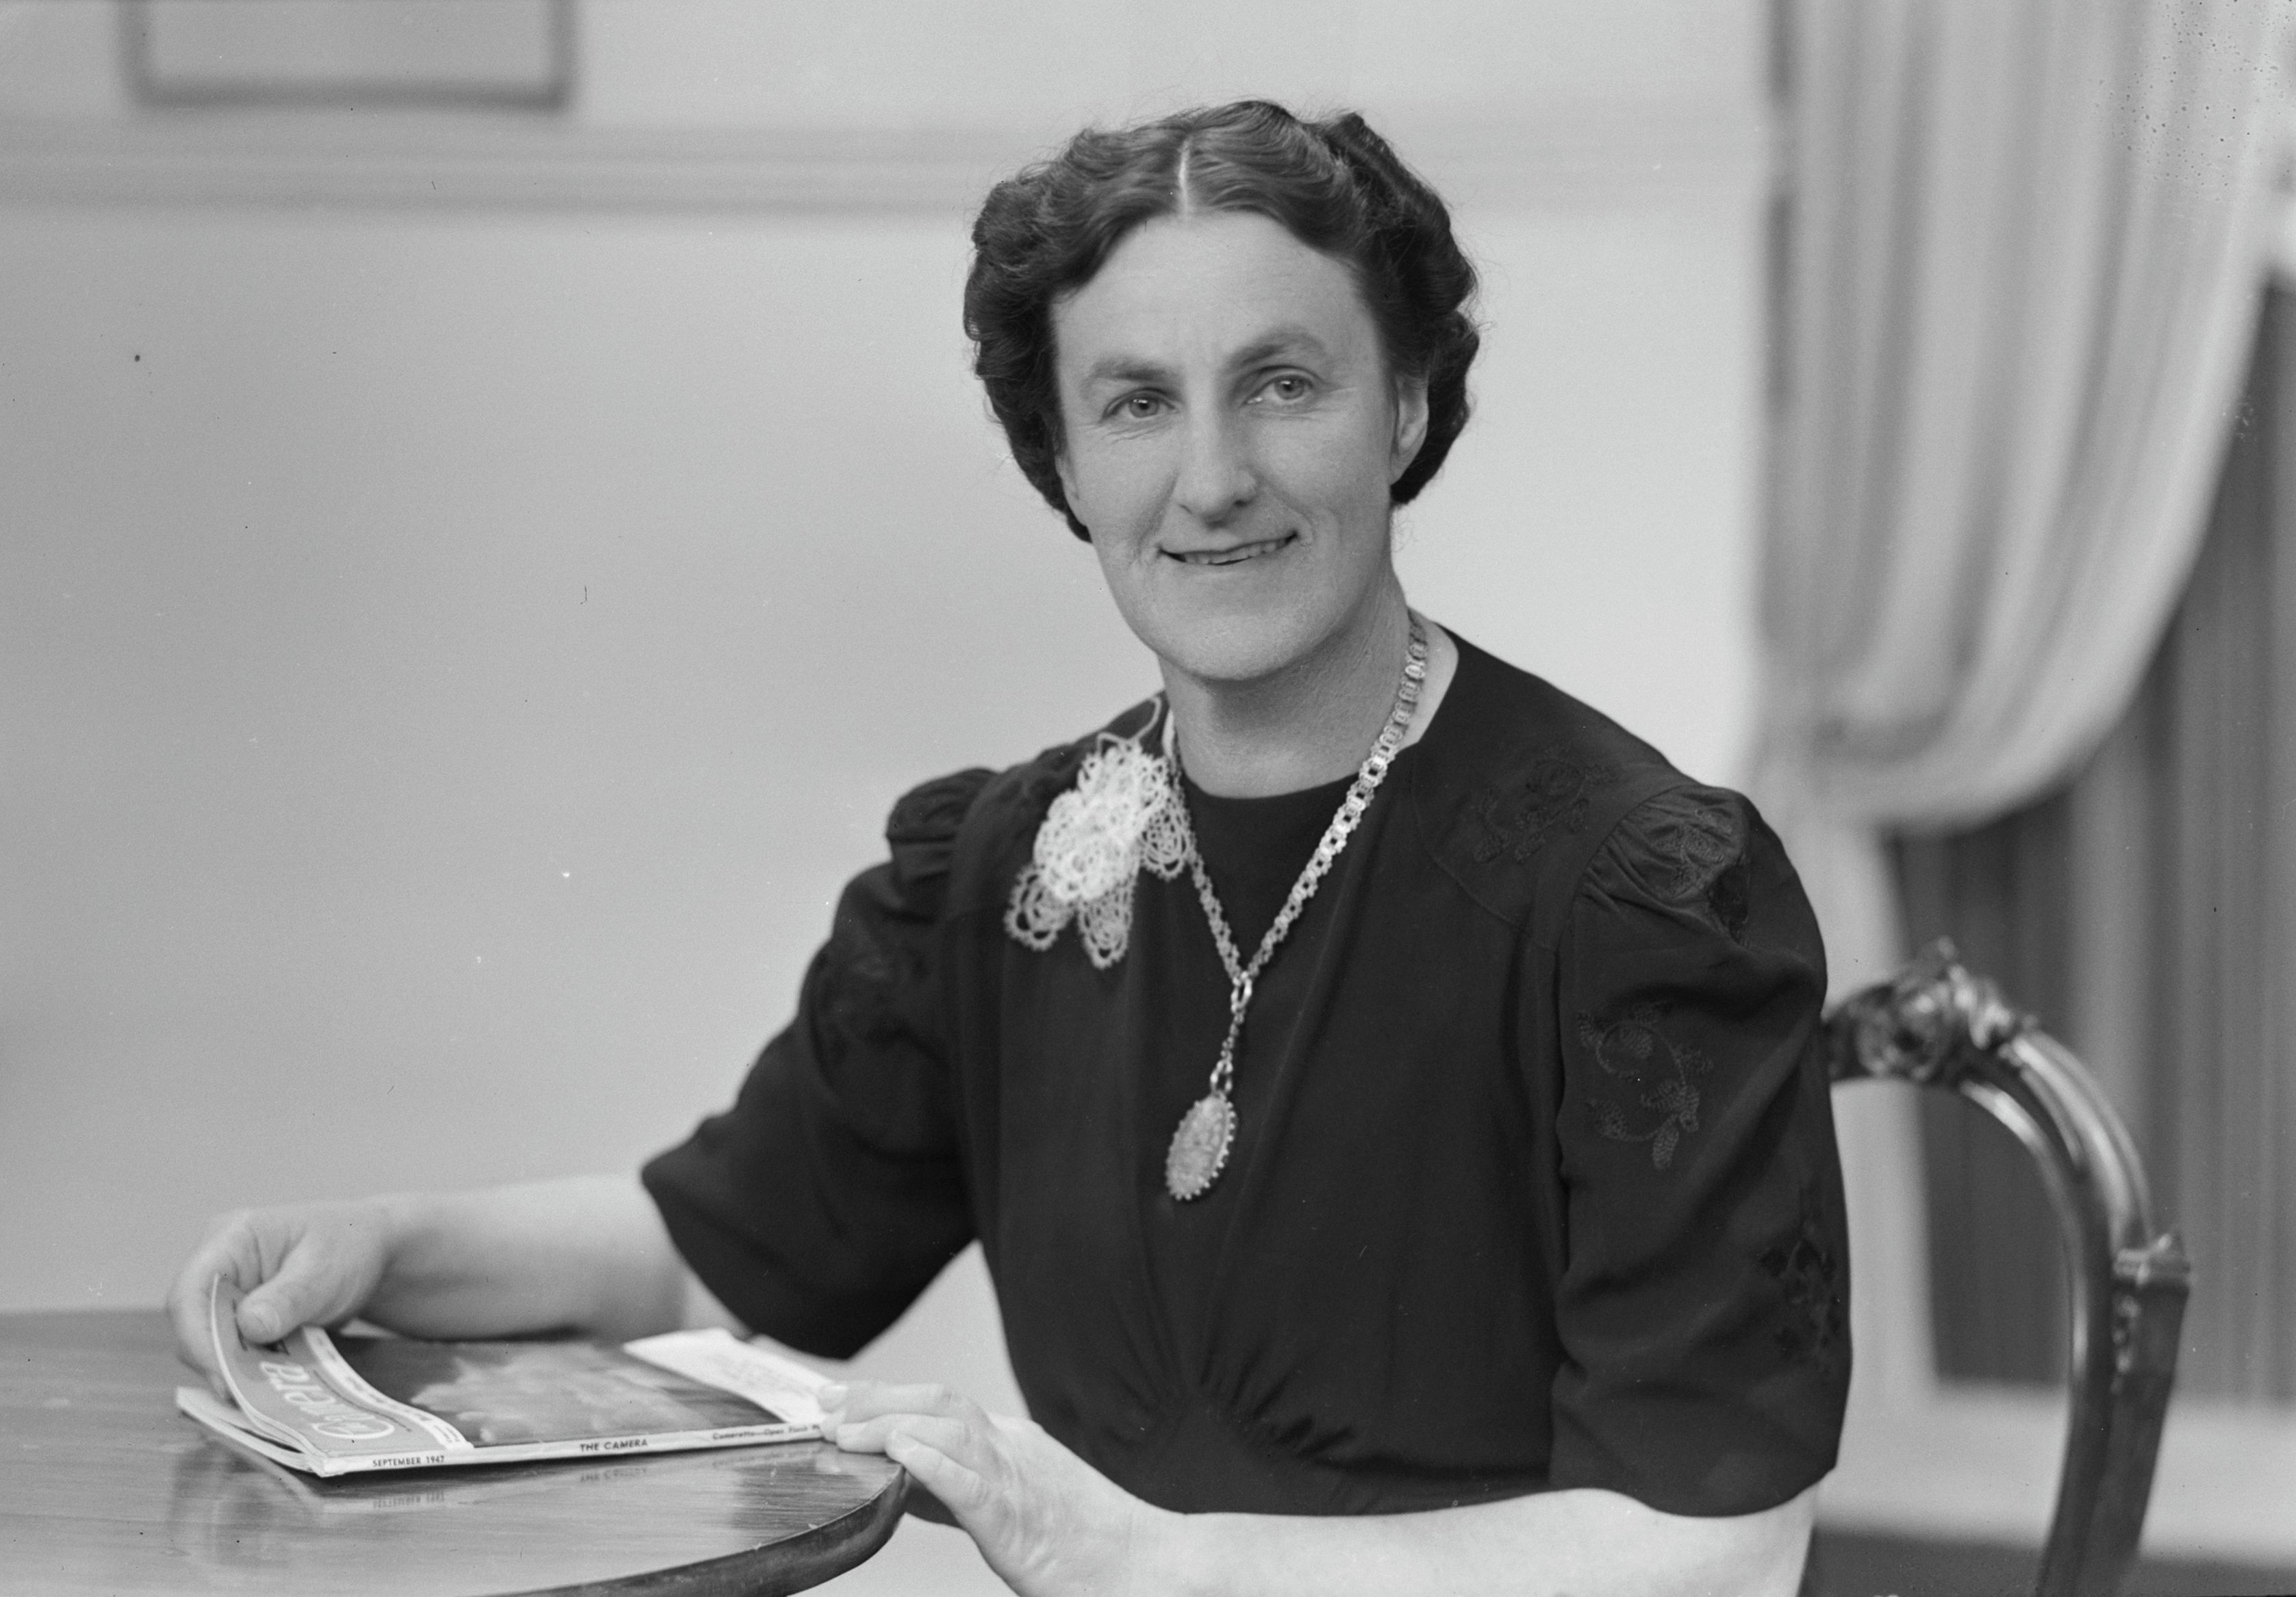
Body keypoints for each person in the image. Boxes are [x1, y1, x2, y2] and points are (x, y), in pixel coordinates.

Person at [169, 101, 1849, 1596]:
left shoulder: (1635, 893)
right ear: (1060, 457)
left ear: (1403, 405)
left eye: (1281, 382)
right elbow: (717, 1238)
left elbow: (1710, 1545)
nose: (1212, 478)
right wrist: (386, 1238)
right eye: (1135, 403)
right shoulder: (1004, 869)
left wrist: (1146, 1562)